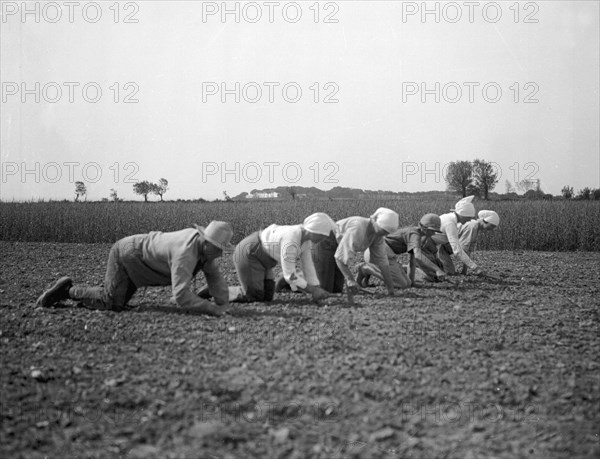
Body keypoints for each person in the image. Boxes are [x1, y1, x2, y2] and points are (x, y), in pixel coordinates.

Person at [36, 221, 234, 316]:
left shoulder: (203, 248)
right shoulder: (185, 253)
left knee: (116, 301)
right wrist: (211, 309)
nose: (219, 254)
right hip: (127, 255)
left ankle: (92, 295)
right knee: (110, 302)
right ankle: (67, 290)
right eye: (218, 249)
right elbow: (181, 296)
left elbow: (214, 276)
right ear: (206, 243)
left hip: (139, 258)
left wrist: (222, 303)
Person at [204, 213, 336, 303]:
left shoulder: (306, 241)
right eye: (322, 236)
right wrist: (313, 290)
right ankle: (214, 290)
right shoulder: (291, 239)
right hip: (251, 253)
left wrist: (316, 287)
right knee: (253, 296)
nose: (323, 239)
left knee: (267, 296)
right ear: (314, 231)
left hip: (265, 260)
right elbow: (289, 275)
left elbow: (308, 267)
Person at [313, 208, 399, 296]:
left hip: (339, 248)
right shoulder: (358, 228)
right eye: (383, 231)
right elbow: (340, 258)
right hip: (326, 242)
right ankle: (301, 283)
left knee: (337, 290)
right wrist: (350, 279)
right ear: (375, 221)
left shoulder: (378, 236)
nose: (384, 235)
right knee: (325, 288)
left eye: (386, 233)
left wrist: (390, 288)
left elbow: (383, 262)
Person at [356, 213, 448, 288]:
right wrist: (437, 270)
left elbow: (413, 261)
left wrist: (412, 282)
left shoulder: (416, 235)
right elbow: (418, 256)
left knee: (407, 283)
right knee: (401, 284)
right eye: (430, 230)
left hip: (382, 254)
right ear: (422, 227)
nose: (432, 233)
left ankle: (367, 273)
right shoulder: (415, 235)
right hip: (379, 253)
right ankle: (366, 269)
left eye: (434, 231)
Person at [421, 196, 486, 277]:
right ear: (462, 215)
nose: (469, 220)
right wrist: (475, 268)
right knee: (447, 273)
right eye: (468, 218)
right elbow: (457, 250)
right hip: (426, 246)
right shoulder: (450, 224)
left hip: (437, 245)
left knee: (449, 271)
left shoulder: (450, 218)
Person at [457, 210, 500, 274]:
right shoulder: (472, 227)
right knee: (449, 272)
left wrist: (464, 270)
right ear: (485, 221)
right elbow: (463, 249)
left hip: (449, 246)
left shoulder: (474, 226)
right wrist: (475, 268)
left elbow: (467, 249)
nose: (491, 229)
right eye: (491, 226)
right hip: (443, 245)